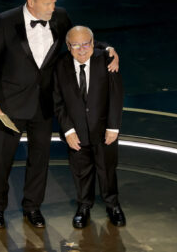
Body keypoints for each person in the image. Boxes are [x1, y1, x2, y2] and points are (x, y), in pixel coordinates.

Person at [0, 0, 119, 229]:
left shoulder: (60, 17)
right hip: (9, 105)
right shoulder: (5, 21)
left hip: (44, 104)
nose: (51, 8)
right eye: (46, 4)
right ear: (31, 2)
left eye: (54, 2)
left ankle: (32, 207)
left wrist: (107, 47)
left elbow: (78, 42)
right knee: (0, 159)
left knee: (39, 158)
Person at [53, 26, 125, 228]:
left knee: (107, 170)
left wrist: (113, 127)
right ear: (68, 46)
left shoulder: (107, 60)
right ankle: (84, 206)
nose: (82, 49)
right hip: (76, 132)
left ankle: (113, 205)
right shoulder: (60, 65)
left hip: (104, 131)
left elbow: (116, 95)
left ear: (93, 44)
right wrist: (68, 130)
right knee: (81, 171)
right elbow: (57, 100)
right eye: (76, 45)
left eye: (86, 44)